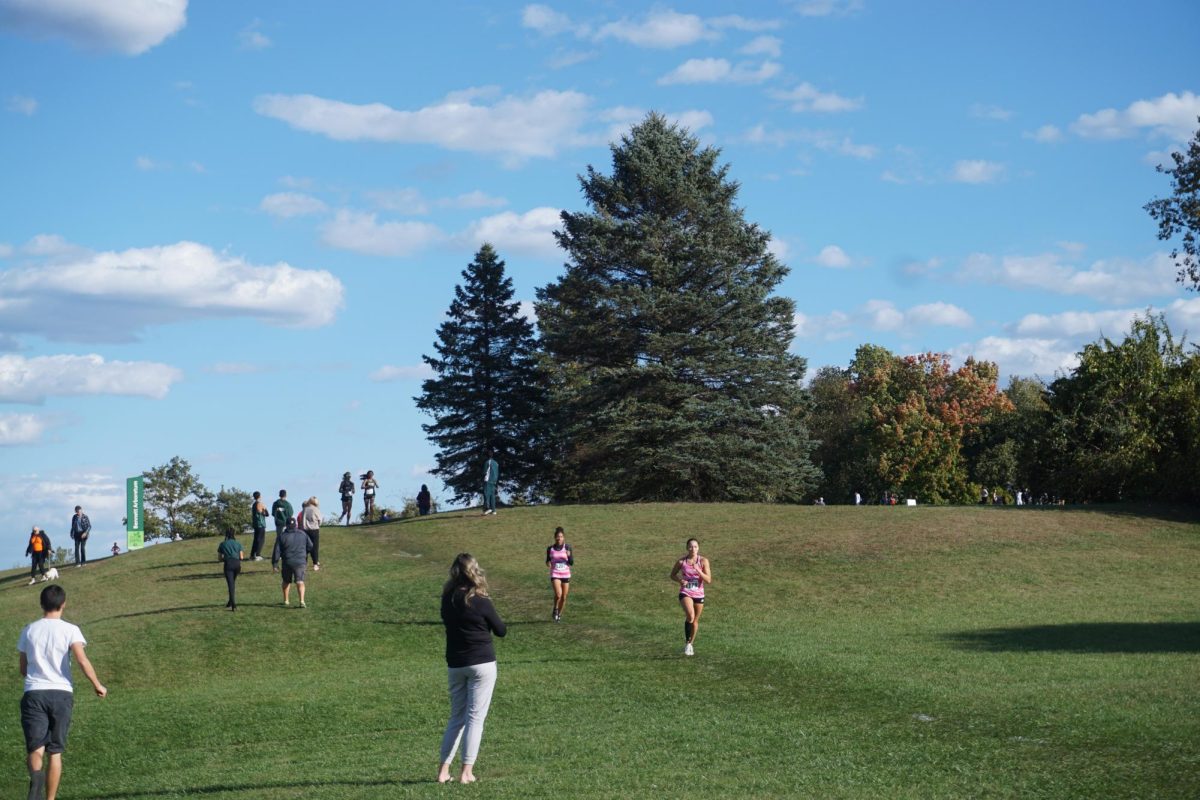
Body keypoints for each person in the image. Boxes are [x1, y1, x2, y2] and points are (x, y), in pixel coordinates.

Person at [18, 584, 107, 800]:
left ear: (41, 604)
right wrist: (97, 684)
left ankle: (36, 776)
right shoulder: (70, 629)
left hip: (34, 692)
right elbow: (81, 659)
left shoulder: (29, 630)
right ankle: (49, 799)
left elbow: (23, 668)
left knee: (36, 748)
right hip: (61, 693)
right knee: (55, 751)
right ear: (63, 604)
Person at [437, 553, 506, 785]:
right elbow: (501, 630)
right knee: (475, 718)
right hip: (482, 662)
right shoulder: (480, 600)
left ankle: (443, 771)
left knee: (456, 717)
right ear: (474, 571)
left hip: (456, 663)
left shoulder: (447, 599)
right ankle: (466, 772)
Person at [669, 538, 712, 657]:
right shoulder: (682, 562)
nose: (693, 549)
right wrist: (680, 580)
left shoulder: (703, 561)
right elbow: (672, 575)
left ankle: (690, 644)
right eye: (691, 546)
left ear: (698, 548)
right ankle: (688, 643)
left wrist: (699, 571)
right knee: (690, 615)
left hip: (699, 593)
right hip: (686, 592)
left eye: (695, 546)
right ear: (687, 548)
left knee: (695, 621)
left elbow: (708, 580)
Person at [271, 518, 313, 608]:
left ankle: (286, 600)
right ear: (296, 525)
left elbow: (277, 551)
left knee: (286, 581)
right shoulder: (303, 534)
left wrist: (275, 564)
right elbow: (310, 546)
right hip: (300, 561)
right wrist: (304, 553)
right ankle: (302, 601)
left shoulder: (282, 536)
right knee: (300, 581)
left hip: (287, 561)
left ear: (286, 525)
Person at [546, 527, 573, 622]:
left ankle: (559, 615)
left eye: (561, 536)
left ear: (563, 537)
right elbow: (547, 560)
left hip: (565, 574)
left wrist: (569, 555)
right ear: (555, 537)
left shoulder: (567, 547)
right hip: (555, 573)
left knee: (564, 597)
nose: (559, 538)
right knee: (558, 594)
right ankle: (555, 608)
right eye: (558, 536)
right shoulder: (550, 548)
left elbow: (571, 562)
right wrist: (548, 563)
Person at [217, 528, 244, 611]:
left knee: (231, 585)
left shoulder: (222, 544)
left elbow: (219, 558)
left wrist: (225, 558)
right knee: (232, 583)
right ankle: (230, 602)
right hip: (237, 565)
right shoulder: (238, 544)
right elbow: (241, 557)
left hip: (228, 565)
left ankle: (234, 605)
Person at [301, 496, 322, 571]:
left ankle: (304, 564)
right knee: (315, 547)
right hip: (314, 529)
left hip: (306, 530)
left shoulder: (305, 509)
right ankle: (315, 564)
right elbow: (320, 520)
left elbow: (302, 520)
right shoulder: (316, 509)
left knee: (305, 548)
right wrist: (317, 525)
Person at [271, 490, 294, 554]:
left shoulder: (275, 504)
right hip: (286, 523)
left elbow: (273, 513)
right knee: (287, 538)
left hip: (278, 523)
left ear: (279, 495)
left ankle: (278, 553)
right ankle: (286, 552)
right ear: (286, 495)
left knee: (279, 539)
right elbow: (291, 514)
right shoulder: (288, 504)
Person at [250, 491, 269, 561]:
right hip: (260, 524)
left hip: (255, 524)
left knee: (255, 539)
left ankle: (252, 555)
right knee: (261, 540)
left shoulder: (254, 504)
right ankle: (258, 555)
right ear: (260, 496)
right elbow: (266, 514)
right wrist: (264, 508)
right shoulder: (260, 504)